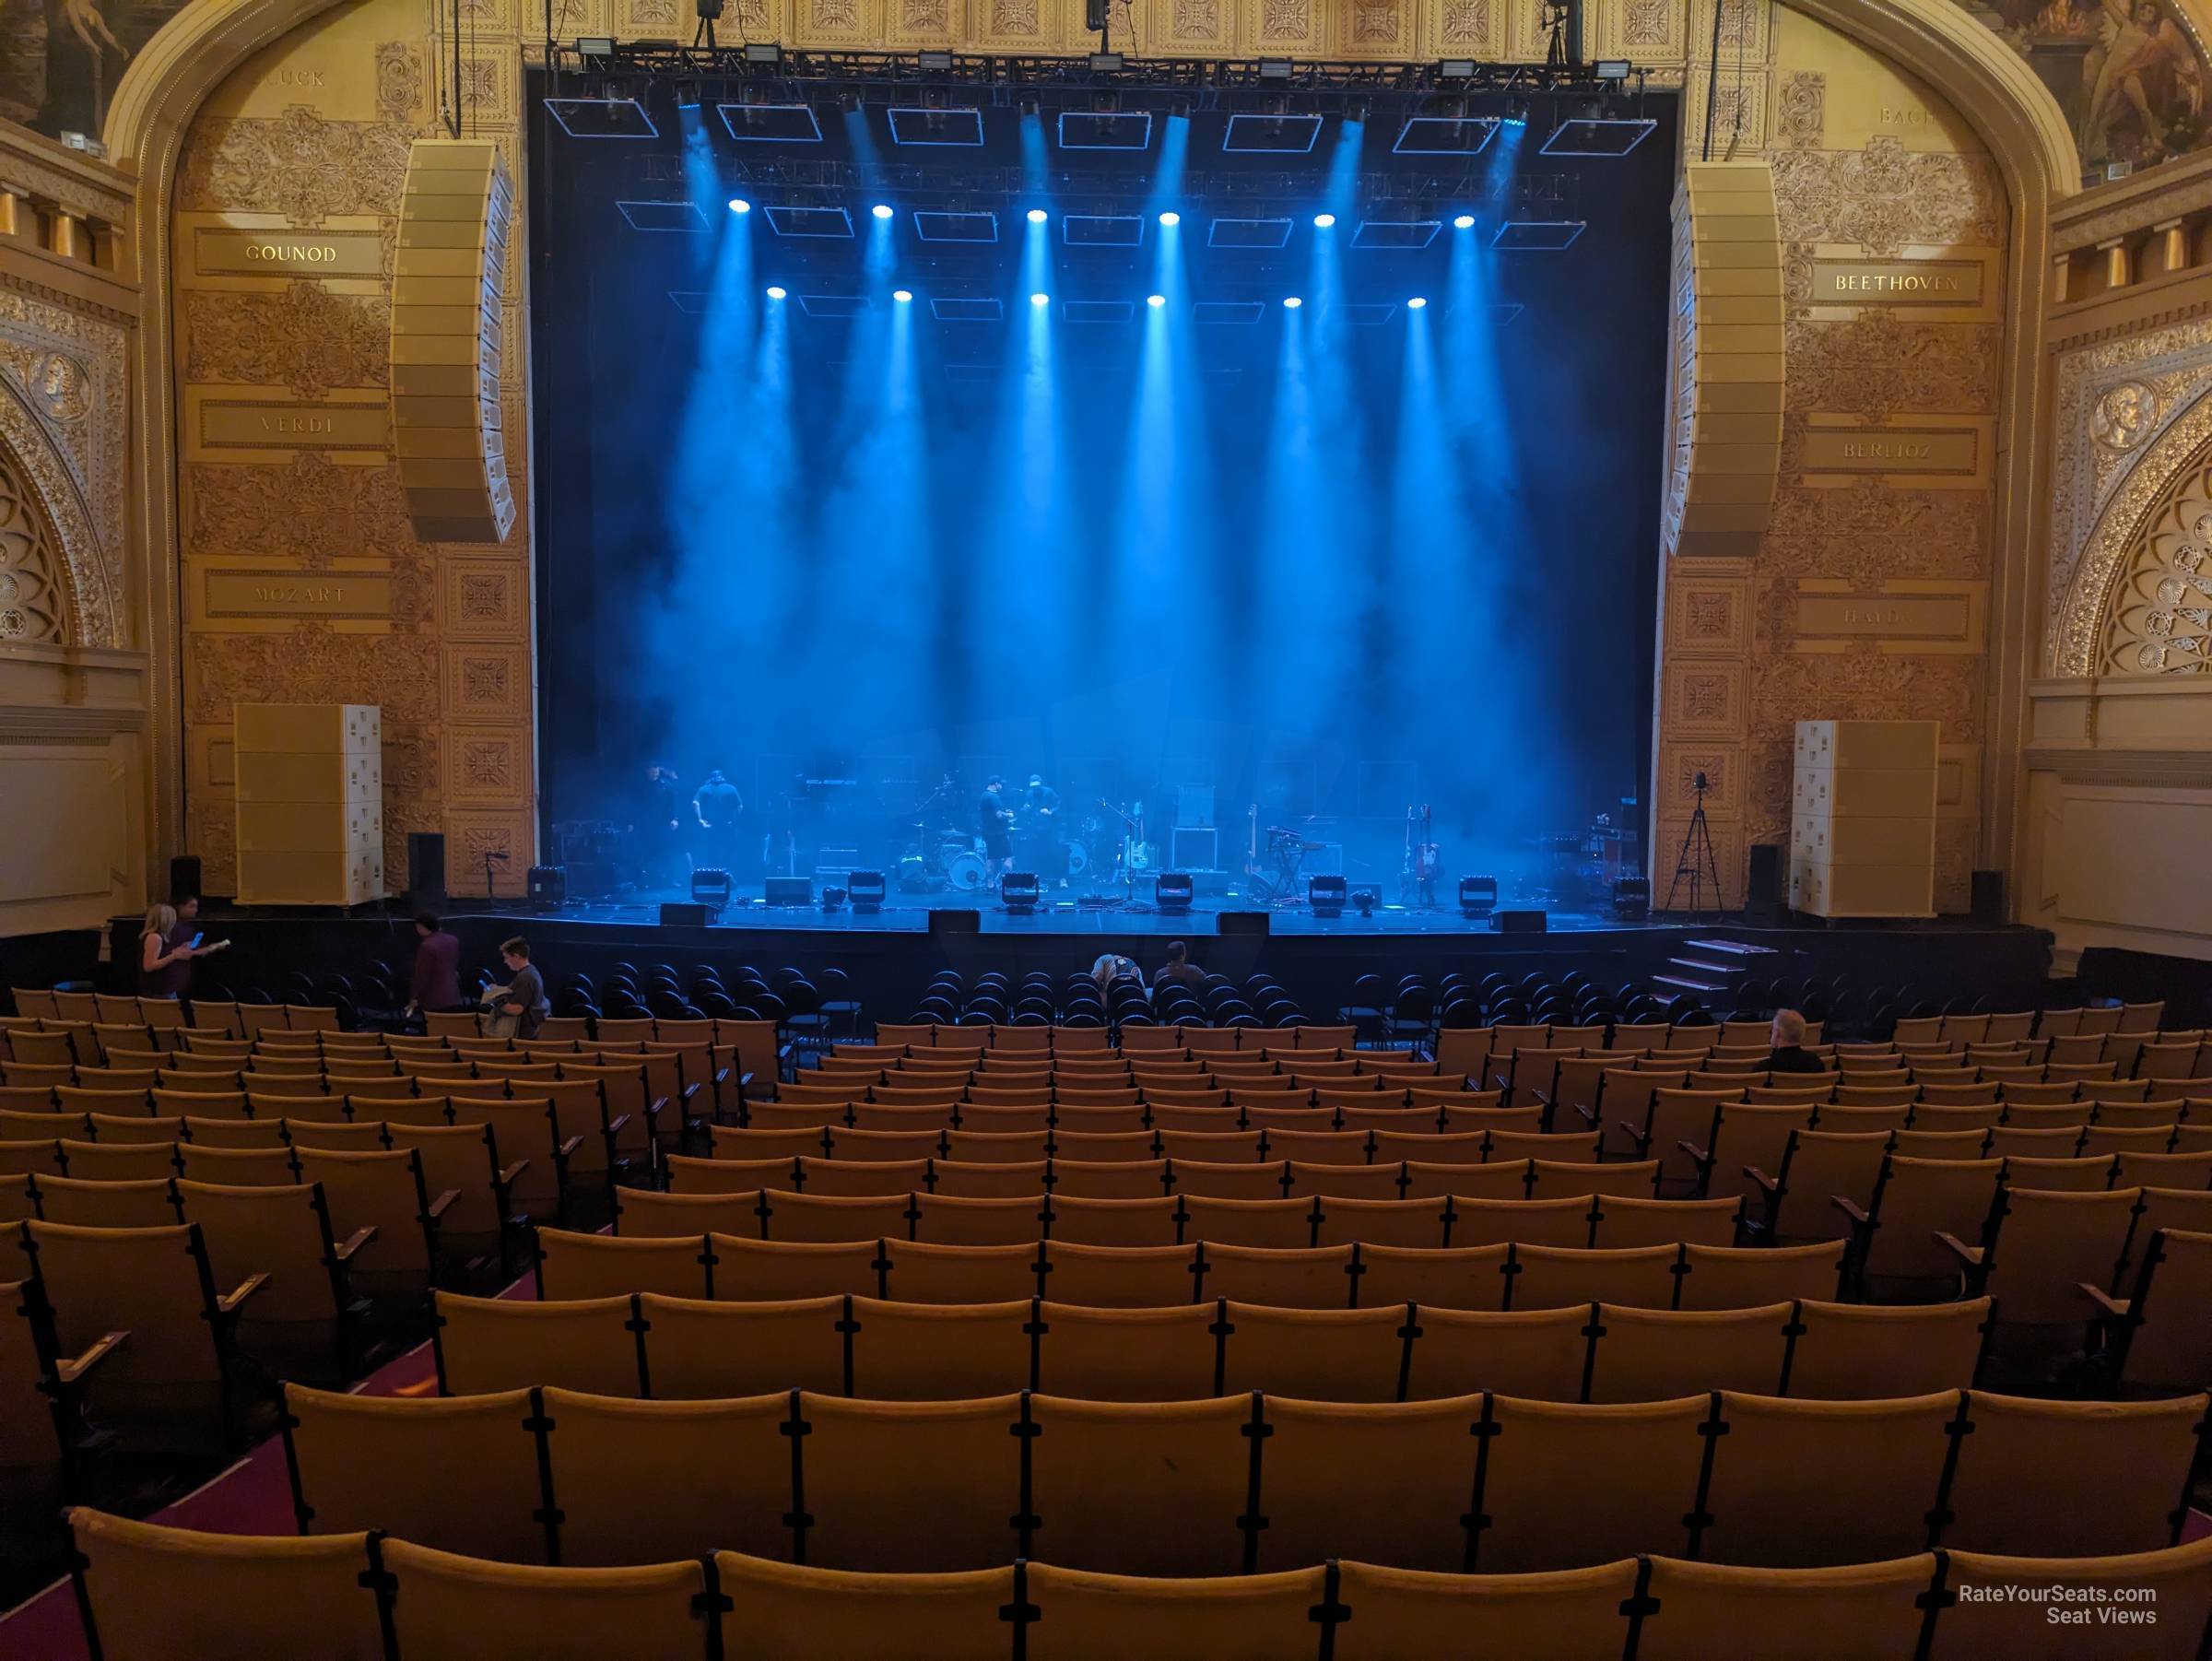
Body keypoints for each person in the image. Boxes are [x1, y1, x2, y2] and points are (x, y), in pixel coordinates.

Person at [635, 762, 684, 888]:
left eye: (656, 770)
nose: (655, 772)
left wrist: (675, 819)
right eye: (652, 770)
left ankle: (670, 880)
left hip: (663, 824)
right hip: (646, 825)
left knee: (666, 852)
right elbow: (637, 806)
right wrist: (632, 822)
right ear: (647, 771)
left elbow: (674, 803)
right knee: (647, 853)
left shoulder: (666, 785)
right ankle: (645, 881)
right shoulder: (642, 787)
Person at [138, 902, 199, 998]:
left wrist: (178, 951)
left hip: (165, 990)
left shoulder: (162, 936)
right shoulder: (154, 937)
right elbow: (149, 966)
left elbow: (162, 956)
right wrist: (174, 956)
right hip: (158, 992)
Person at [407, 912, 463, 1015]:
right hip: (453, 993)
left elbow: (422, 975)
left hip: (434, 998)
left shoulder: (426, 946)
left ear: (421, 927)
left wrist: (414, 996)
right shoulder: (453, 940)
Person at [494, 937, 549, 1039]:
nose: (505, 962)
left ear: (516, 956)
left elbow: (516, 1009)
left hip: (524, 1035)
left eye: (506, 957)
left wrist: (495, 999)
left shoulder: (525, 977)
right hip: (529, 1032)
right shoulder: (531, 970)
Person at [693, 769, 744, 878]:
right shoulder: (731, 788)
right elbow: (739, 807)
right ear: (723, 778)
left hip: (710, 826)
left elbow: (695, 803)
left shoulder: (704, 789)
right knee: (728, 851)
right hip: (726, 825)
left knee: (712, 851)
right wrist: (734, 820)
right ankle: (727, 877)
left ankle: (712, 878)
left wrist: (700, 819)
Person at [1764, 1008, 1827, 1074]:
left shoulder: (1765, 1068)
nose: (1770, 1032)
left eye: (1772, 1030)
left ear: (1777, 1033)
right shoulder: (1816, 1063)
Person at [978, 775, 1014, 878]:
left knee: (991, 858)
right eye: (1001, 784)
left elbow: (990, 813)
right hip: (999, 833)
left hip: (987, 832)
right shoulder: (994, 796)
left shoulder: (983, 796)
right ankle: (1000, 881)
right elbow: (998, 815)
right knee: (1009, 858)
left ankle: (990, 885)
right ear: (996, 784)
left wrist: (1003, 812)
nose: (1002, 786)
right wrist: (1009, 815)